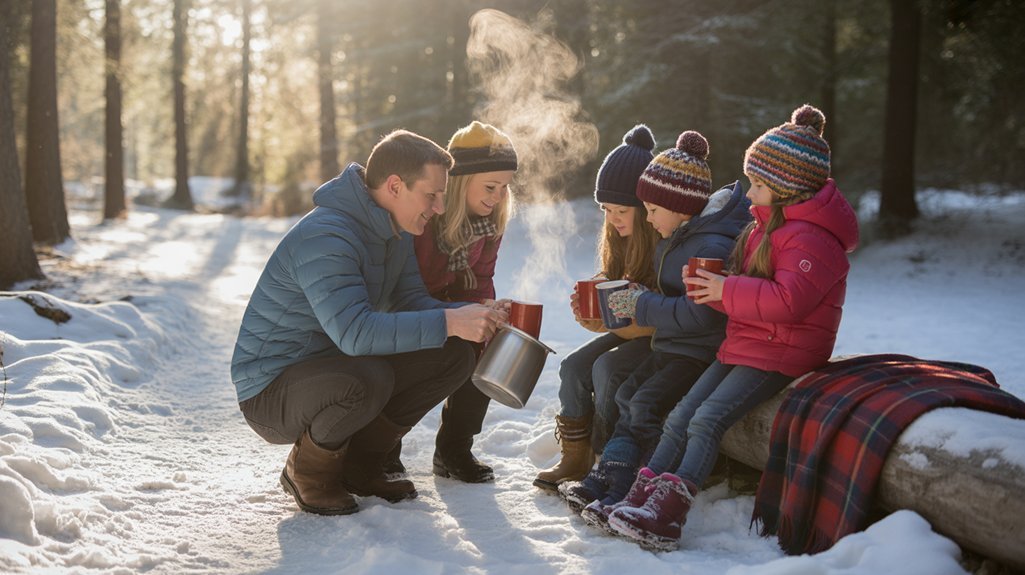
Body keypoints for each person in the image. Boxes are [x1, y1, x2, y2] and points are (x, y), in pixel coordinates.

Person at [606, 105, 859, 551]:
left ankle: (667, 514)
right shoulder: (767, 225)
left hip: (782, 350)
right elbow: (751, 288)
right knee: (681, 414)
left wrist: (725, 288)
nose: (750, 191)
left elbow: (789, 300)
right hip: (747, 340)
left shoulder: (812, 237)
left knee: (707, 419)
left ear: (786, 188)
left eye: (758, 184)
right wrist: (716, 287)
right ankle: (639, 497)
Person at [231, 129, 507, 516]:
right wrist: (448, 321)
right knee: (367, 380)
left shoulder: (395, 231)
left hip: (333, 366)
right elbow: (355, 334)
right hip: (271, 390)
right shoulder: (327, 236)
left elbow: (410, 301)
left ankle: (361, 464)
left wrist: (473, 315)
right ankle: (308, 473)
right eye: (431, 195)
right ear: (395, 186)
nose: (440, 207)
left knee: (453, 355)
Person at [559, 131, 751, 525]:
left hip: (693, 352)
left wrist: (639, 305)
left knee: (639, 400)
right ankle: (609, 472)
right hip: (670, 343)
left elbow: (702, 314)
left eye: (648, 209)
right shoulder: (675, 238)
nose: (646, 218)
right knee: (628, 396)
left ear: (676, 207)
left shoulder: (705, 247)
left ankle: (634, 482)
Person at [533, 125, 661, 492]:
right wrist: (591, 307)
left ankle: (607, 458)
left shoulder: (660, 241)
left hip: (658, 334)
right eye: (606, 209)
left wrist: (612, 319)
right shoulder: (618, 236)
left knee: (607, 368)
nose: (613, 218)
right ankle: (576, 457)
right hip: (629, 329)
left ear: (646, 209)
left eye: (621, 210)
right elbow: (612, 278)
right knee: (573, 367)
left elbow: (658, 312)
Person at [407, 121, 518, 483]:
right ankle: (382, 448)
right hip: (410, 309)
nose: (498, 196)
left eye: (505, 187)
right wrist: (456, 313)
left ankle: (455, 447)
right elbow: (408, 287)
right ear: (460, 181)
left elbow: (480, 279)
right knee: (412, 361)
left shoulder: (489, 224)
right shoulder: (426, 219)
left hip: (449, 305)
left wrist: (486, 308)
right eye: (490, 186)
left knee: (481, 342)